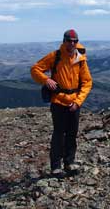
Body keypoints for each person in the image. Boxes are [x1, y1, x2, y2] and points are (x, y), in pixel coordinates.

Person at [30, 29, 92, 177]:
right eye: (69, 40)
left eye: (75, 41)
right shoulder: (56, 56)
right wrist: (46, 80)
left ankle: (69, 163)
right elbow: (35, 69)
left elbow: (87, 82)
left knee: (72, 134)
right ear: (64, 41)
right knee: (59, 134)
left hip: (74, 103)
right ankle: (56, 167)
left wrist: (78, 102)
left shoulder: (80, 59)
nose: (72, 43)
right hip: (58, 101)